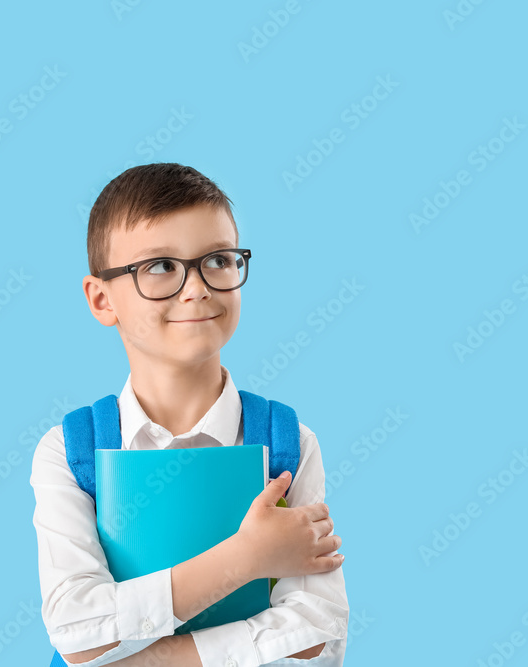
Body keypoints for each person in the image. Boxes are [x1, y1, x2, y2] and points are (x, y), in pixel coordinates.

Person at [29, 163, 348, 667]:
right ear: (101, 298)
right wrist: (246, 559)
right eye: (159, 266)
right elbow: (77, 629)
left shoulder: (288, 443)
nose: (197, 287)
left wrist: (143, 659)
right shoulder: (70, 452)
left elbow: (316, 636)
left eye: (218, 259)